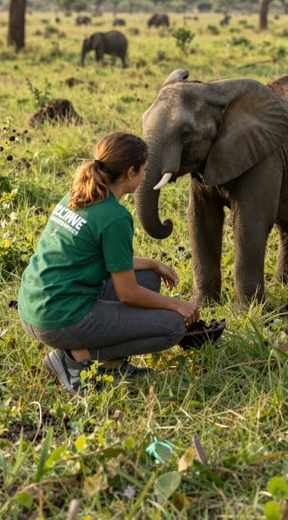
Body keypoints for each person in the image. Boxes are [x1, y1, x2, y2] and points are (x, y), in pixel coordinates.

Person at [18, 131, 199, 395]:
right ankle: (79, 359)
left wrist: (151, 263)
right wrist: (178, 305)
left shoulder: (78, 195)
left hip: (35, 308)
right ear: (130, 172)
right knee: (172, 326)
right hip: (60, 318)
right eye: (144, 170)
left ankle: (100, 360)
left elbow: (96, 258)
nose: (146, 176)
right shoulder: (115, 217)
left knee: (148, 278)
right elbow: (128, 294)